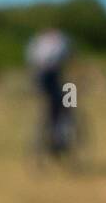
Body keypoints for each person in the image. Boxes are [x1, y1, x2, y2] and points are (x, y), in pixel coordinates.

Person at [25, 28, 75, 158]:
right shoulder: (60, 44)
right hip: (51, 82)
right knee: (67, 101)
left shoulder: (37, 44)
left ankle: (60, 135)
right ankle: (61, 137)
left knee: (58, 106)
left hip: (40, 81)